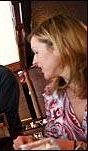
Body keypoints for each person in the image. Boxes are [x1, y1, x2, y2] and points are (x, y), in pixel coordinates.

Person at [13, 14, 87, 150]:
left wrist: (72, 146)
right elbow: (54, 141)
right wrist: (34, 142)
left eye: (36, 52)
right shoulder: (52, 95)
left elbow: (63, 145)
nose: (34, 62)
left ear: (60, 47)